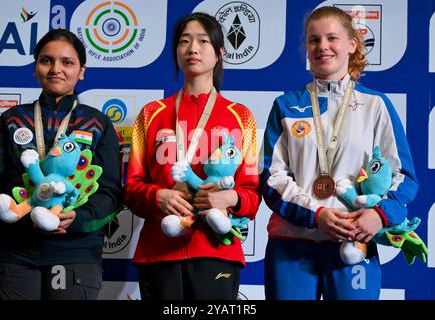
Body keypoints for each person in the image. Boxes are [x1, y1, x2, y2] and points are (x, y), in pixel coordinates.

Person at [260, 6, 418, 300]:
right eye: (313, 40)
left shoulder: (375, 105)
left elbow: (404, 177)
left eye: (332, 38)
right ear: (306, 48)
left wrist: (379, 216)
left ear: (352, 44)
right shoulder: (286, 105)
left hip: (353, 242)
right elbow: (270, 177)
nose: (322, 47)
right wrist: (315, 214)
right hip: (292, 242)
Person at [123, 12, 260, 300]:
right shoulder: (151, 114)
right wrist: (158, 196)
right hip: (159, 249)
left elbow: (251, 194)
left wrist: (230, 198)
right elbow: (132, 188)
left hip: (216, 247)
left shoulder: (241, 117)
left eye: (202, 41)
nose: (192, 49)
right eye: (184, 41)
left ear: (220, 52)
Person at [0, 29, 123, 300]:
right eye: (46, 60)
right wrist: (16, 213)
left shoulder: (98, 124)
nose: (56, 69)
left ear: (82, 71)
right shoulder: (11, 119)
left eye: (67, 62)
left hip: (76, 251)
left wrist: (77, 218)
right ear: (36, 68)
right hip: (15, 250)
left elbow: (112, 192)